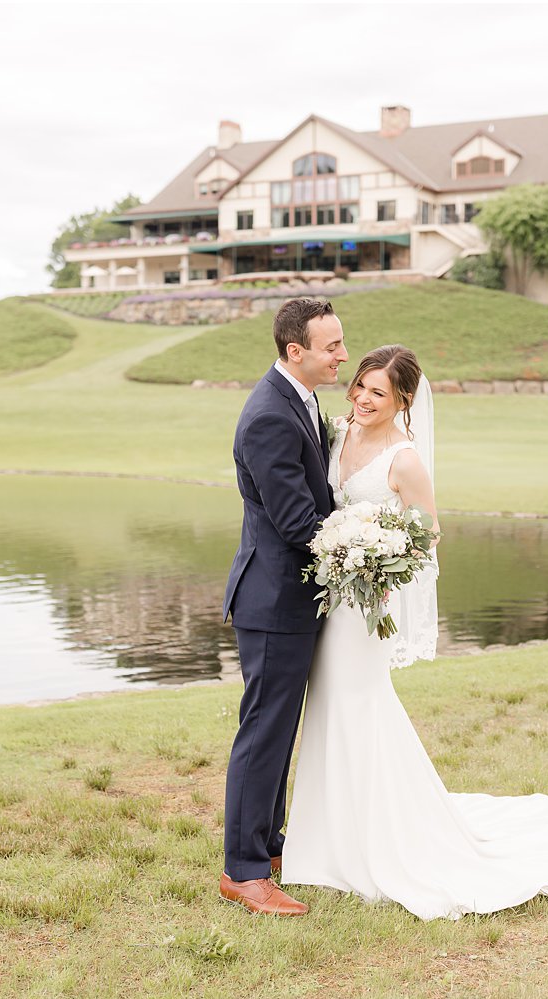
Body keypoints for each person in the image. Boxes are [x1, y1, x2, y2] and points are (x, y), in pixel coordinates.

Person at [280, 344, 548, 921]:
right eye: (361, 386)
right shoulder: (338, 435)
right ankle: (325, 839)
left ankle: (379, 842)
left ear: (403, 400)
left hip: (364, 608)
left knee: (359, 706)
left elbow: (427, 536)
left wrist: (376, 565)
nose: (364, 399)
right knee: (327, 709)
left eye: (379, 392)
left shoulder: (405, 460)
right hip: (326, 600)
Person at [219, 297, 347, 917]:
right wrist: (363, 539)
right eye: (332, 347)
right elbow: (298, 520)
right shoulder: (270, 414)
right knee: (263, 732)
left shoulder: (301, 399)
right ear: (296, 351)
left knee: (279, 729)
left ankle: (268, 846)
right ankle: (243, 873)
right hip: (272, 601)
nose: (342, 356)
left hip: (292, 597)